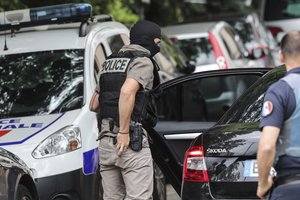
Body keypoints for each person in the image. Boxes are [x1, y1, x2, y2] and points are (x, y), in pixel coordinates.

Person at [90, 20, 161, 200]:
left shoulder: (110, 61)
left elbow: (94, 105)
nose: (157, 47)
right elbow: (126, 91)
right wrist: (123, 131)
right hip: (130, 140)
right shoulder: (143, 62)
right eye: (157, 43)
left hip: (106, 142)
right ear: (149, 40)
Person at [257, 31, 300, 200]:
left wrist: (263, 183)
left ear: (281, 56)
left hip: (291, 187)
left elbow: (267, 146)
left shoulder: (280, 90)